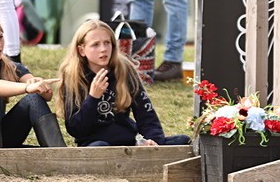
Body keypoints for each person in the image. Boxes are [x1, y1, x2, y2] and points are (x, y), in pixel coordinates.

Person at [56, 19, 190, 147]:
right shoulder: (72, 76)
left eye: (107, 43)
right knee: (101, 148)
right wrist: (93, 98)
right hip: (95, 146)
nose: (103, 49)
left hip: (128, 143)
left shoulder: (125, 69)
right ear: (81, 50)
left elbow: (146, 116)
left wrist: (153, 141)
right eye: (95, 44)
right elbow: (76, 130)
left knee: (183, 140)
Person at [0, 22, 65, 147]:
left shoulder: (9, 66)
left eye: (0, 37)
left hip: (2, 139)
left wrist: (39, 86)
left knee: (33, 99)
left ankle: (61, 155)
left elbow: (45, 97)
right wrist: (27, 87)